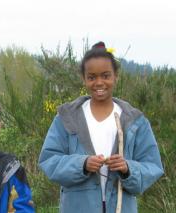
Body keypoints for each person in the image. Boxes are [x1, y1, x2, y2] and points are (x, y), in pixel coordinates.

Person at [38, 41, 164, 213]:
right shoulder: (67, 118)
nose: (99, 83)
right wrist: (82, 164)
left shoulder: (134, 121)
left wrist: (127, 168)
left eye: (105, 75)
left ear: (115, 76)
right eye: (92, 77)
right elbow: (49, 160)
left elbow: (152, 166)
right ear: (84, 79)